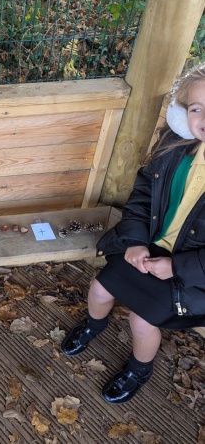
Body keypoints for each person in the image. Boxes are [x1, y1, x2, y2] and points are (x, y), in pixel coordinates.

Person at [61, 63, 205, 404]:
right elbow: (143, 195)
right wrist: (136, 241)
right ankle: (93, 325)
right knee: (99, 289)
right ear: (183, 114)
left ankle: (139, 369)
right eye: (197, 108)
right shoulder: (176, 146)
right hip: (150, 246)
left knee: (141, 321)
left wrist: (176, 267)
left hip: (192, 274)